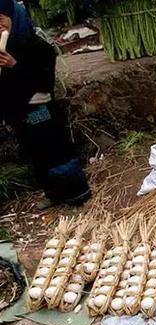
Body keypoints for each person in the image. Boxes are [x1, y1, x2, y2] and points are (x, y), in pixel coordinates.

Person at [0, 0, 90, 206]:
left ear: (15, 18)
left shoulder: (37, 47)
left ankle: (76, 195)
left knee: (54, 150)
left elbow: (44, 82)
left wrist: (15, 65)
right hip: (17, 113)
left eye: (1, 20)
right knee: (34, 153)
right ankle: (54, 195)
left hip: (39, 109)